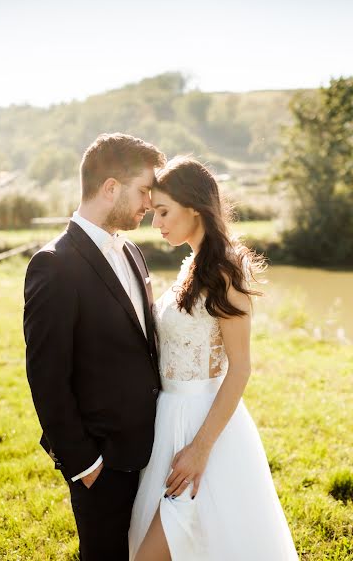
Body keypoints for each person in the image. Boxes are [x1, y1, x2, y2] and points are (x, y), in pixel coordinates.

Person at [129, 156, 298, 561]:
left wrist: (201, 448)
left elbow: (240, 368)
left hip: (205, 426)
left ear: (195, 208)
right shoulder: (192, 264)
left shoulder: (225, 269)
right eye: (154, 212)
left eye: (164, 212)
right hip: (167, 421)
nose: (157, 223)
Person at [23, 133, 166, 561]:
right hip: (102, 464)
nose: (149, 203)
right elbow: (46, 376)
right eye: (144, 191)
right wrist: (85, 464)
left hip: (152, 450)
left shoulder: (134, 253)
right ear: (110, 188)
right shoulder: (54, 265)